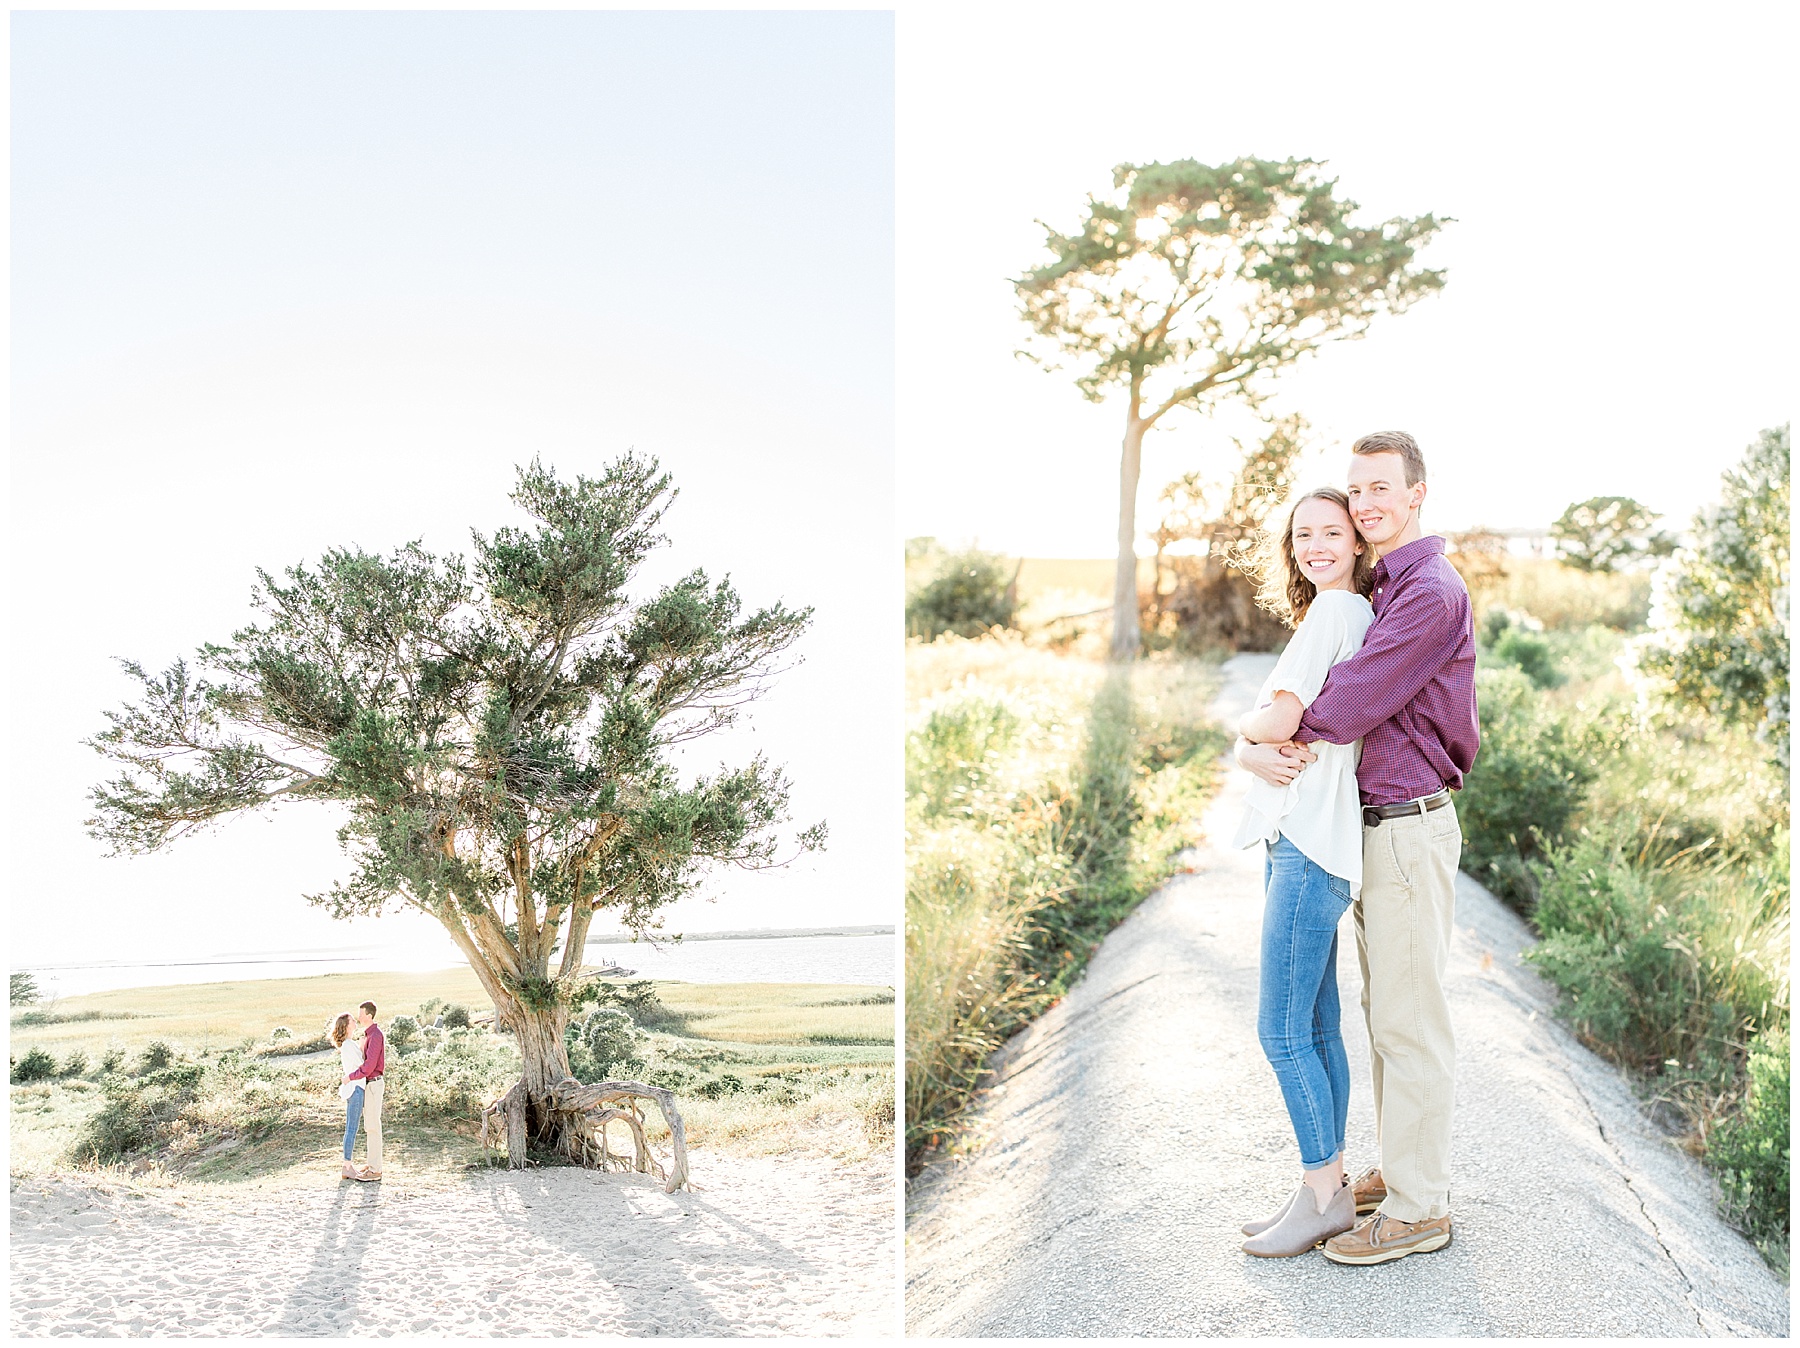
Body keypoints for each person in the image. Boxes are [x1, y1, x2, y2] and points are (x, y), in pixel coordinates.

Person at [1237, 430, 1478, 1266]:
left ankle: (1421, 1210)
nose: (1368, 503)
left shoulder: (1428, 593)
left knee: (1410, 1024)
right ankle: (1401, 1174)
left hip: (1408, 825)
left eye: (1383, 488)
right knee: (1385, 1016)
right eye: (1358, 489)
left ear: (1418, 493)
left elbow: (1346, 702)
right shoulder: (1385, 582)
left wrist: (1250, 743)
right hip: (1377, 827)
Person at [1229, 486, 1375, 1257]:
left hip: (1309, 846)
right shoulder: (1344, 614)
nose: (1316, 544)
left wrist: (1241, 733)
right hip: (1317, 841)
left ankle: (1322, 1196)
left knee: (1281, 1031)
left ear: (1357, 541)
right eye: (1303, 534)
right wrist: (1255, 750)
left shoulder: (1334, 614)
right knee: (1317, 1026)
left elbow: (1278, 723)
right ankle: (1334, 1184)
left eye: (1331, 531)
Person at [340, 1000, 386, 1181]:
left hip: (373, 1083)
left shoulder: (375, 1035)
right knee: (369, 1126)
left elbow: (368, 1066)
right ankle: (372, 1164)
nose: (358, 1017)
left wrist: (350, 1077)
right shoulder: (368, 1035)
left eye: (360, 1014)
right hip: (368, 1084)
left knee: (373, 1126)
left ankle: (375, 1170)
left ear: (369, 1015)